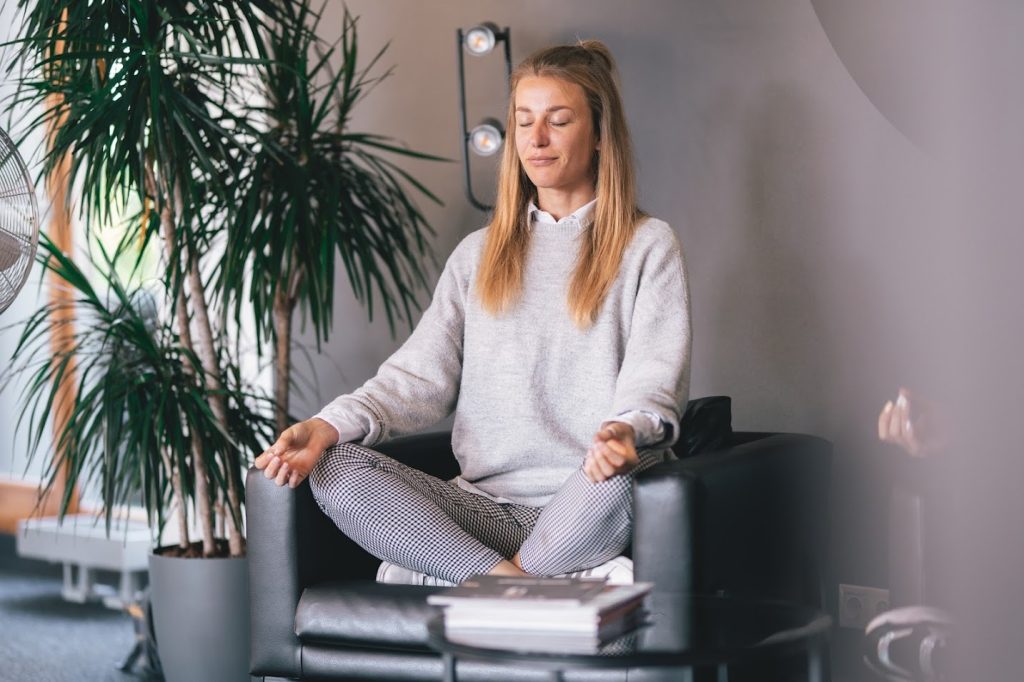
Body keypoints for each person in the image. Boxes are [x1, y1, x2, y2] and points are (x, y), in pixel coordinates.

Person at [254, 40, 691, 586]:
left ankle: (459, 577)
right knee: (335, 466)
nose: (536, 139)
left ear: (601, 135)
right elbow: (416, 379)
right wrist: (325, 424)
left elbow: (654, 378)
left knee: (627, 473)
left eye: (558, 120)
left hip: (588, 497)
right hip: (486, 511)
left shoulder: (647, 245)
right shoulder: (478, 255)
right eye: (523, 121)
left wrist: (625, 433)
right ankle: (524, 586)